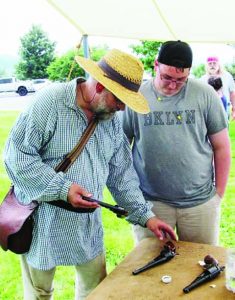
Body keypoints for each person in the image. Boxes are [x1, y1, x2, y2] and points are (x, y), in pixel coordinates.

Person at [3, 49, 176, 300]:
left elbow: (121, 175)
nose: (121, 108)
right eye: (119, 99)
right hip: (42, 220)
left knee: (95, 290)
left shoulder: (111, 120)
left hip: (86, 225)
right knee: (39, 292)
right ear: (99, 87)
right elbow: (16, 158)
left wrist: (146, 217)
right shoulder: (50, 102)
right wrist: (63, 189)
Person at [121, 41, 231, 247]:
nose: (173, 85)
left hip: (200, 203)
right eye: (167, 77)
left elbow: (222, 146)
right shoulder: (136, 98)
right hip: (151, 204)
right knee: (151, 267)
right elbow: (120, 149)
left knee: (201, 267)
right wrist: (132, 197)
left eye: (181, 80)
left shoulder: (204, 94)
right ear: (156, 65)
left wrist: (218, 195)